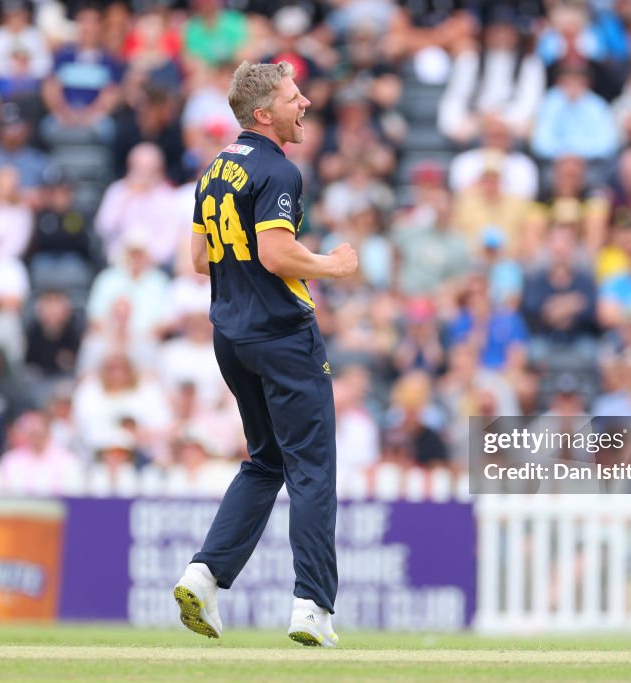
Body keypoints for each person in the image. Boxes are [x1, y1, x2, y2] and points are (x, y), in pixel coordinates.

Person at [173, 61, 358, 648]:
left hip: (231, 335)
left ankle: (204, 575)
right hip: (281, 337)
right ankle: (313, 608)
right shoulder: (280, 170)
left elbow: (200, 261)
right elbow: (277, 255)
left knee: (265, 461)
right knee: (312, 469)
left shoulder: (215, 170)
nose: (303, 103)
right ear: (263, 113)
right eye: (292, 96)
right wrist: (332, 264)